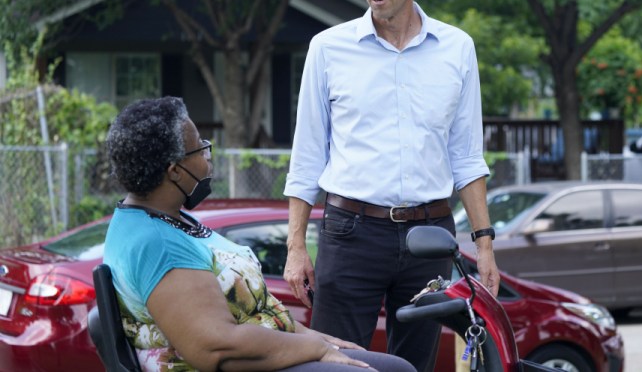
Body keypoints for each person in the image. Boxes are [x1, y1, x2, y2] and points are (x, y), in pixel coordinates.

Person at [283, 0, 501, 371]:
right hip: (350, 231)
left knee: (416, 366)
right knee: (338, 364)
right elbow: (306, 156)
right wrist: (296, 246)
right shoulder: (327, 48)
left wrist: (484, 245)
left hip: (430, 235)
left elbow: (466, 155)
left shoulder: (457, 48)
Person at [103, 96, 416, 372]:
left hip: (264, 353)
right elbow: (215, 345)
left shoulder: (166, 220)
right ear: (174, 170)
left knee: (397, 368)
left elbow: (250, 314)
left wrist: (313, 337)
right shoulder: (159, 244)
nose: (208, 154)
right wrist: (315, 349)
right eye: (199, 147)